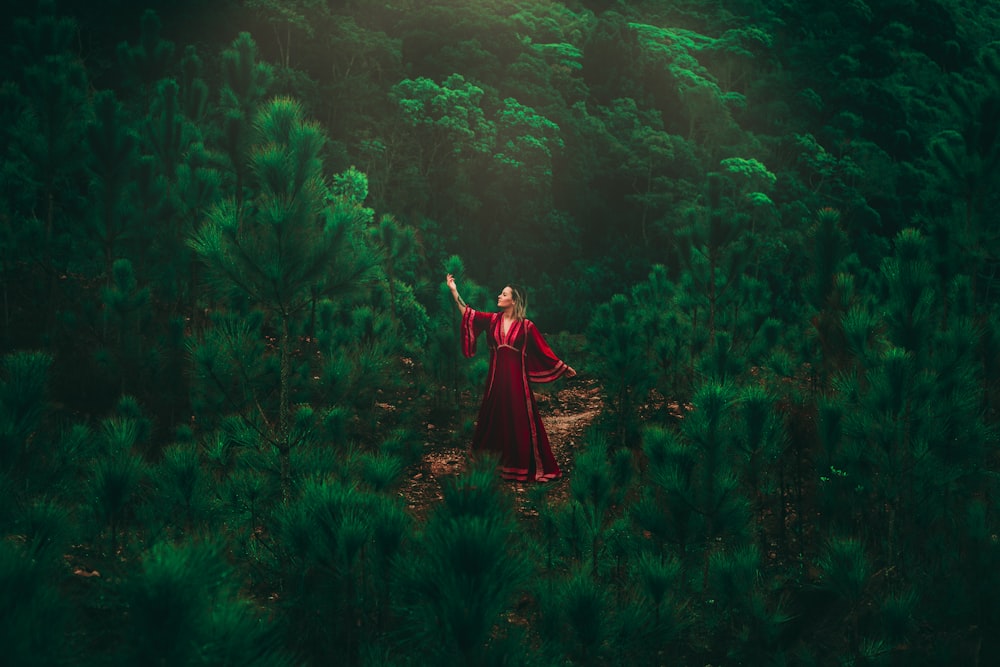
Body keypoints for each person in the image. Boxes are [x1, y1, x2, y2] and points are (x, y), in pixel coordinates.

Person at [446, 273, 576, 482]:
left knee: (519, 422)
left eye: (504, 294)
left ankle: (523, 467)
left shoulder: (527, 326)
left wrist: (563, 367)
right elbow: (467, 314)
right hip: (496, 382)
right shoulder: (492, 320)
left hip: (517, 384)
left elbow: (543, 350)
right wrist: (454, 291)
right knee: (493, 421)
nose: (499, 296)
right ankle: (491, 466)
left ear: (513, 300)